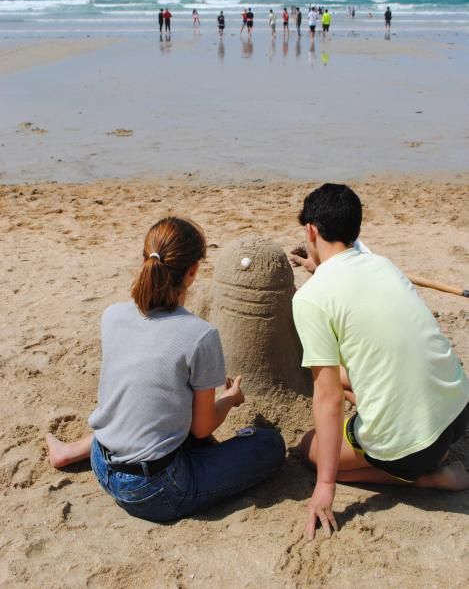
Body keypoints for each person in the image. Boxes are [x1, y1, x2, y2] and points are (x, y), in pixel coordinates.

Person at [46, 217, 286, 523]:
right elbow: (202, 428)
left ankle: (68, 453)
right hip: (154, 489)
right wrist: (230, 398)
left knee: (144, 404)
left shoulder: (113, 315)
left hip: (102, 464)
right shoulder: (200, 335)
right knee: (270, 445)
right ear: (193, 271)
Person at [290, 184, 469, 540]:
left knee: (306, 449)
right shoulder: (383, 265)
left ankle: (426, 476)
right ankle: (426, 455)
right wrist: (319, 268)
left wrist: (325, 484)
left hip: (411, 446)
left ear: (311, 231)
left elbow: (328, 398)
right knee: (352, 372)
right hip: (457, 410)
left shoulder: (311, 299)